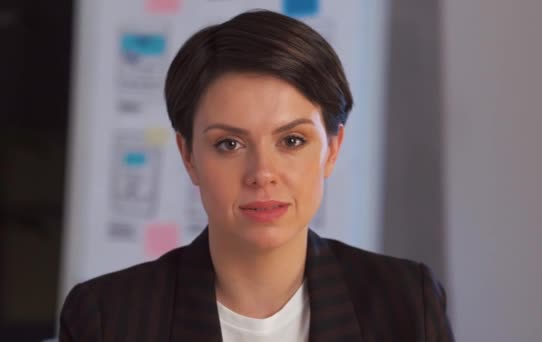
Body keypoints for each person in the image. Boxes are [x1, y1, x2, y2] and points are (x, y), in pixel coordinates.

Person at [59, 10, 454, 342]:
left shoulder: (405, 301)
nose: (262, 174)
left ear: (332, 149)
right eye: (229, 144)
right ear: (189, 156)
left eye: (293, 140)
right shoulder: (107, 317)